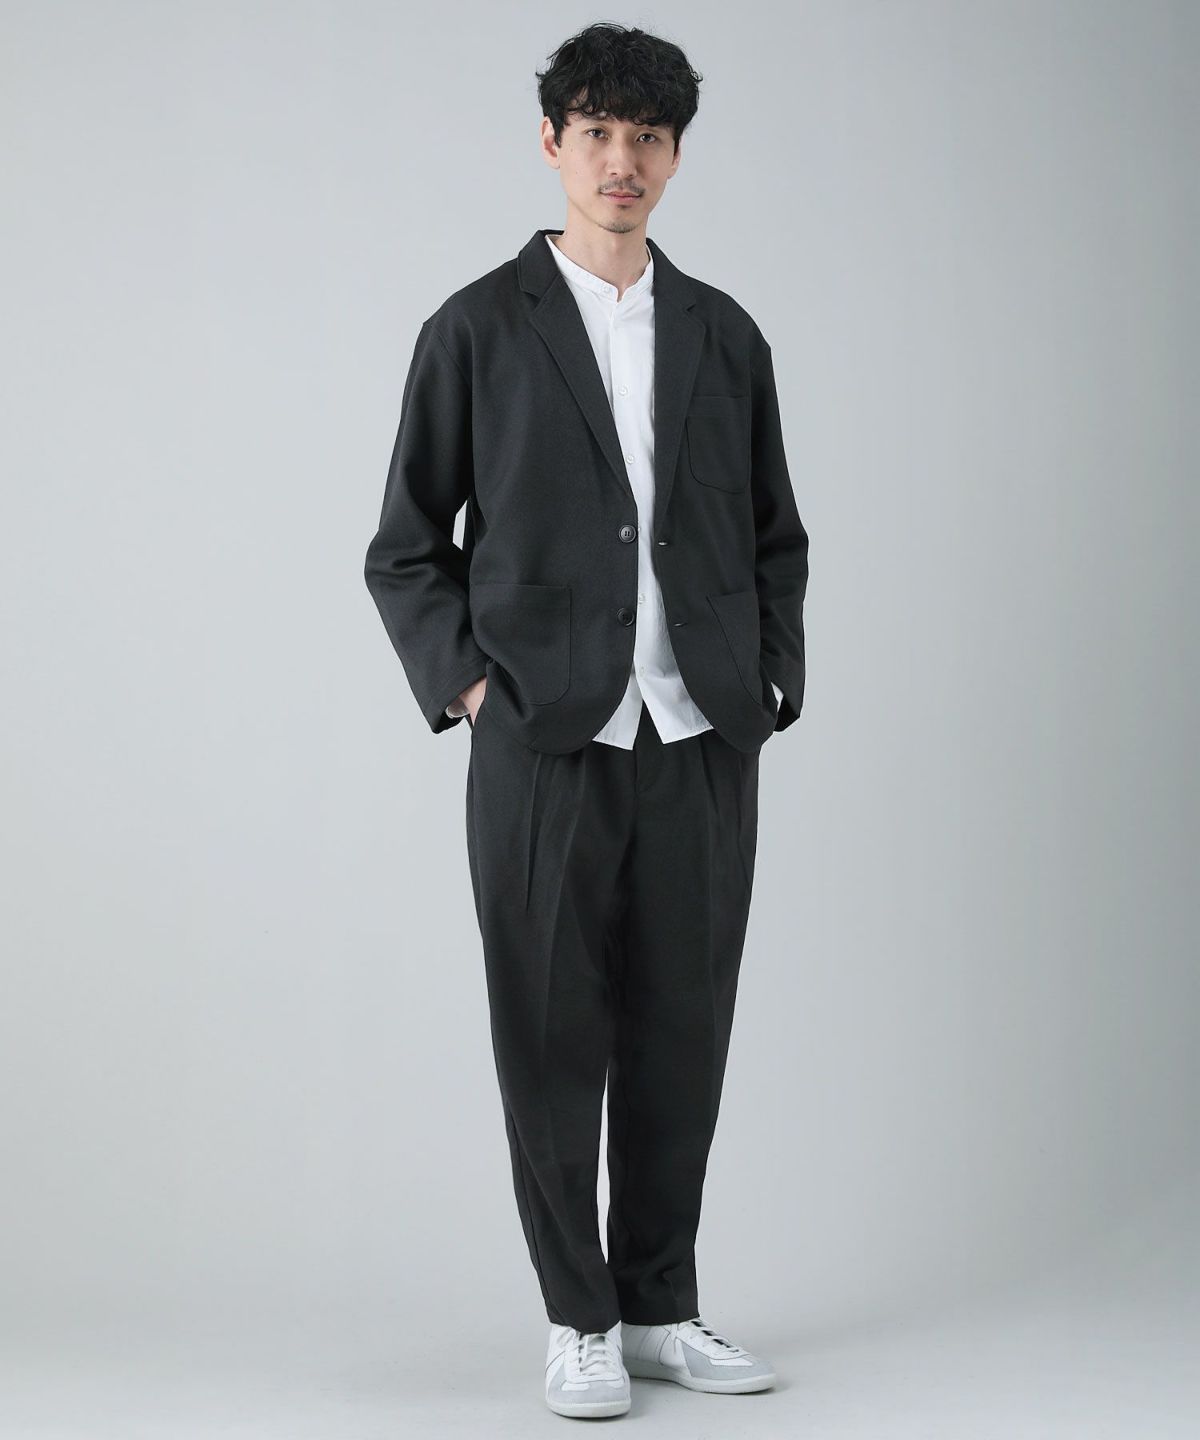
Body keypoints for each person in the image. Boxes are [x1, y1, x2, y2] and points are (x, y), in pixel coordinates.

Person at [364, 21, 809, 1420]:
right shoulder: (476, 329)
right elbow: (405, 550)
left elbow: (776, 533)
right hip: (545, 744)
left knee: (685, 1029)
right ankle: (581, 1319)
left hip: (699, 740)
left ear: (676, 157)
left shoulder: (724, 334)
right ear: (552, 142)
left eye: (650, 137)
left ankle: (662, 1306)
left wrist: (768, 679)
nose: (624, 160)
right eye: (599, 133)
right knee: (550, 1037)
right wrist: (473, 690)